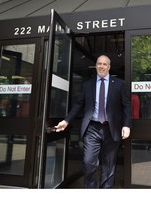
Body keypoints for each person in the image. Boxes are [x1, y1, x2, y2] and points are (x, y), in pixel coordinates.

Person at [54, 55, 131, 188]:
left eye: (104, 64)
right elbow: (79, 105)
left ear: (109, 67)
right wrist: (66, 121)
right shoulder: (87, 84)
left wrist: (126, 125)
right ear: (96, 66)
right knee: (88, 162)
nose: (101, 66)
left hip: (111, 129)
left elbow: (126, 106)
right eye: (99, 64)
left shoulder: (119, 84)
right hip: (92, 128)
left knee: (109, 165)